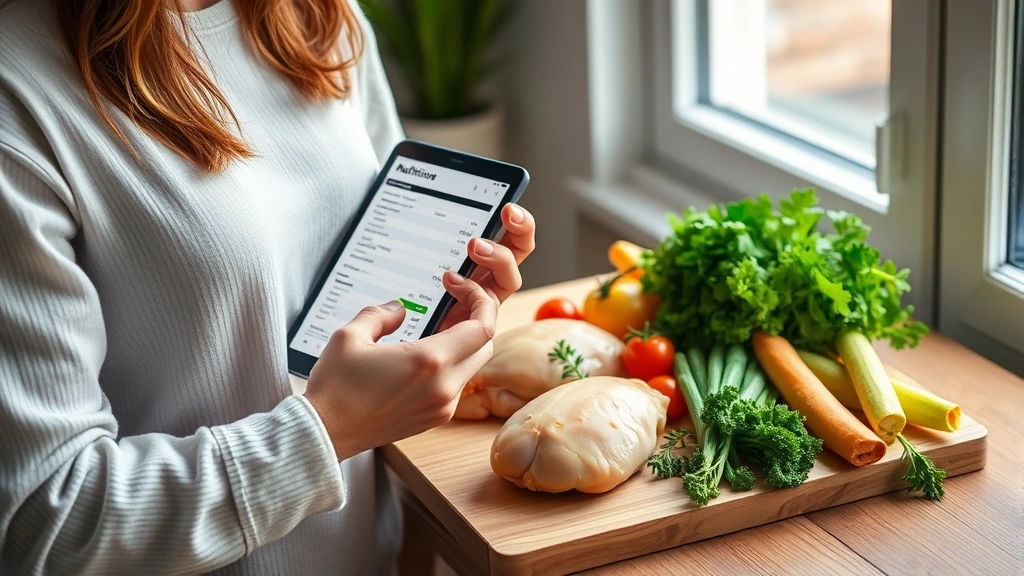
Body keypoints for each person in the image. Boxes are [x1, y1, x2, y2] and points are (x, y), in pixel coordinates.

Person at [0, 0, 535, 573]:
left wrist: (431, 318)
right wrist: (327, 429)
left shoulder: (323, 16)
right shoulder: (20, 96)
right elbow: (47, 526)